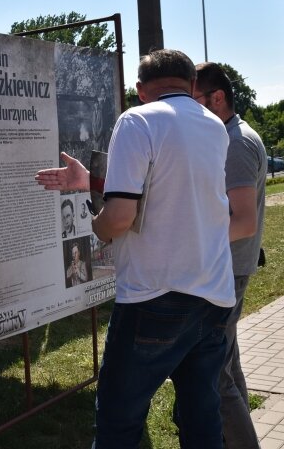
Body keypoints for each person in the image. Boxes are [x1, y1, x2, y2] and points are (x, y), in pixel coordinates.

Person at [36, 49, 235, 448]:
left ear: (141, 90)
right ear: (192, 86)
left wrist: (98, 226)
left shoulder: (136, 120)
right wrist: (92, 182)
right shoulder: (214, 127)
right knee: (201, 419)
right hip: (213, 293)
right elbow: (171, 190)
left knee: (118, 424)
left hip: (154, 295)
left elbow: (121, 218)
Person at [189, 62, 266, 448]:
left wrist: (195, 241)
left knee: (214, 375)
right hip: (231, 268)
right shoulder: (233, 136)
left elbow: (245, 221)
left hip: (228, 271)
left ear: (217, 97)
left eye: (196, 101)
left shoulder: (236, 142)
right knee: (229, 368)